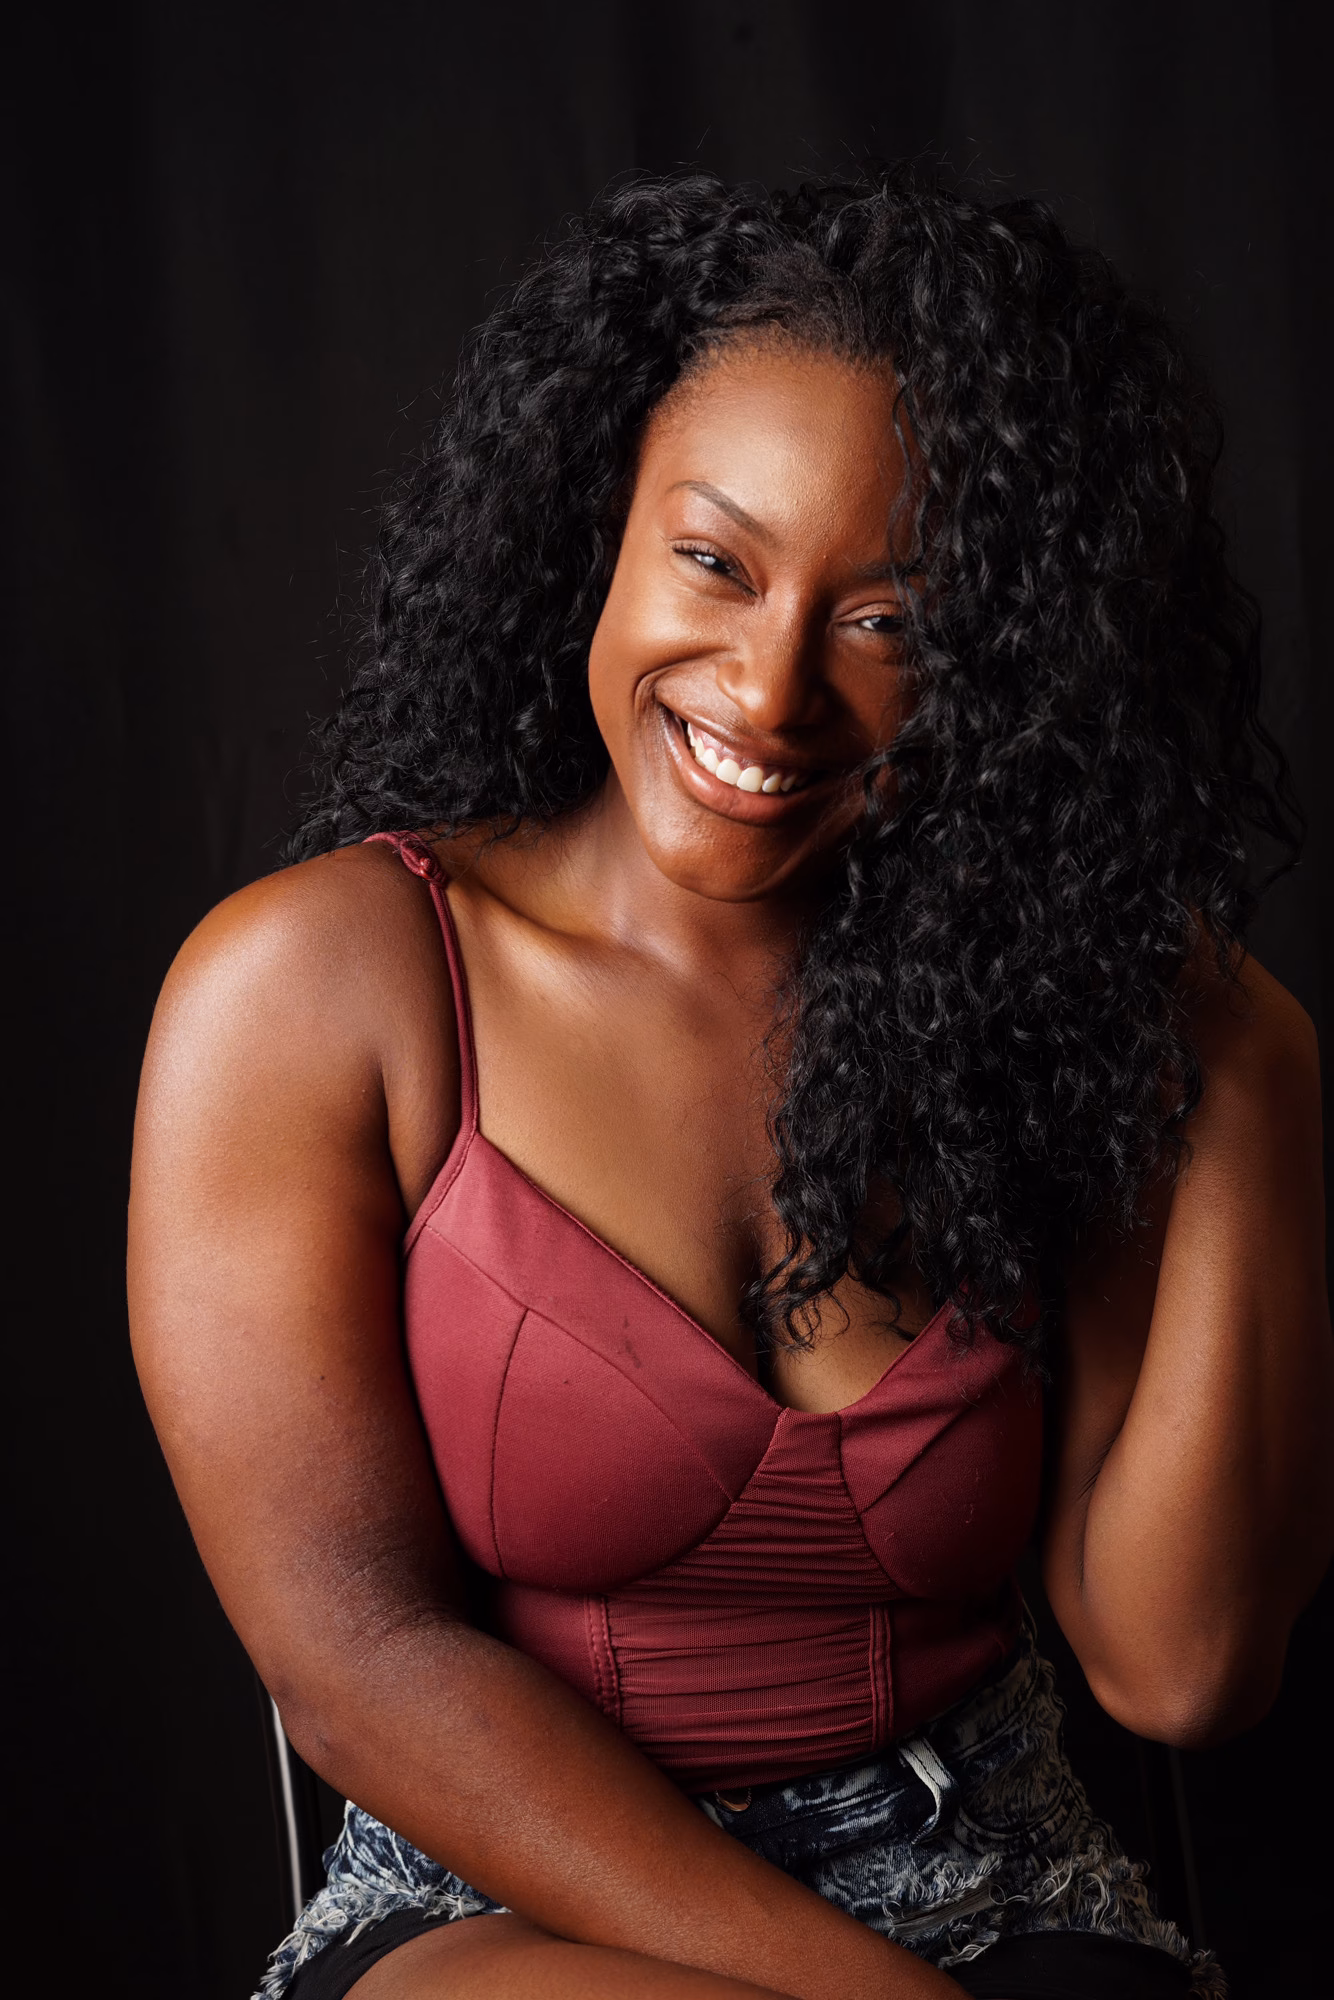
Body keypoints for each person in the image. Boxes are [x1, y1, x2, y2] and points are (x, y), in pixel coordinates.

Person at [128, 171, 1333, 2000]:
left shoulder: (1030, 1018)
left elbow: (1181, 1668)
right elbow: (357, 1661)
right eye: (714, 562)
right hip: (500, 1899)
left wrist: (1255, 1068)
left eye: (889, 621)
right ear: (593, 529)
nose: (769, 695)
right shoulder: (322, 988)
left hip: (990, 1870)